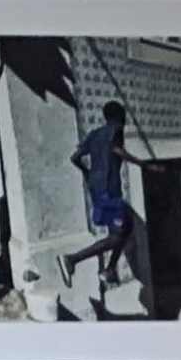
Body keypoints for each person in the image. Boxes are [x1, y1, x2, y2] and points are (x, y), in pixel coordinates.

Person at [66, 98, 149, 309]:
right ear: (119, 117)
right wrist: (142, 164)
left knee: (124, 228)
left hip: (96, 190)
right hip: (109, 191)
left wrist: (87, 172)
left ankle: (109, 269)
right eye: (123, 118)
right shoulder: (116, 129)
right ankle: (73, 259)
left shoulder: (94, 135)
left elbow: (74, 157)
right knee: (118, 235)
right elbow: (116, 150)